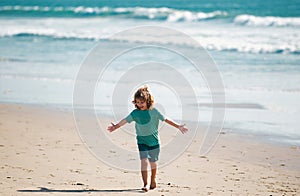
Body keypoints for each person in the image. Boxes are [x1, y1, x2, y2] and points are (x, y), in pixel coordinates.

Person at [107, 86, 188, 192]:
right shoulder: (135, 113)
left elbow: (166, 119)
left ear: (148, 101)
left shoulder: (154, 111)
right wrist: (115, 127)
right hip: (142, 141)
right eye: (137, 102)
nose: (140, 105)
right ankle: (145, 184)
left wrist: (178, 126)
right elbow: (125, 120)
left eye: (142, 102)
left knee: (153, 162)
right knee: (143, 161)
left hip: (154, 142)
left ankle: (153, 179)